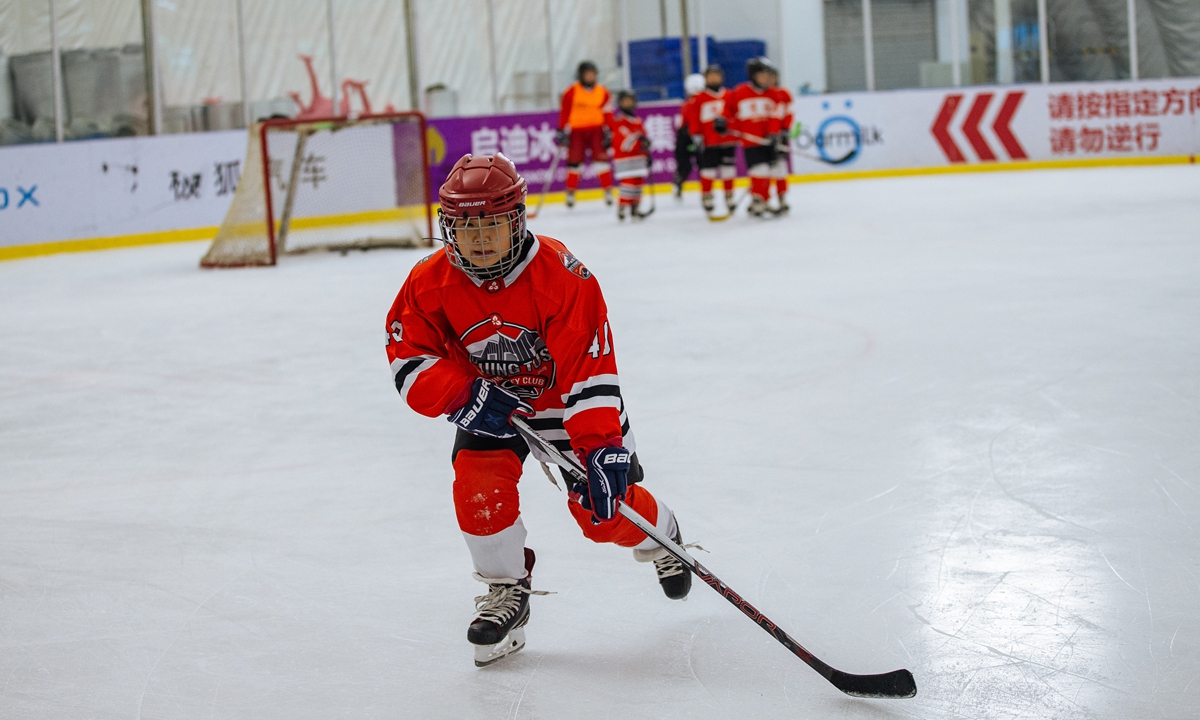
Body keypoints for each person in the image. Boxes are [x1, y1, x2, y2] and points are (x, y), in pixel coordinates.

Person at [385, 153, 692, 667]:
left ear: (517, 220)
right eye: (465, 226)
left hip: (565, 407)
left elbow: (590, 372)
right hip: (488, 405)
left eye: (492, 224)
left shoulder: (564, 277)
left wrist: (601, 448)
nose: (478, 238)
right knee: (476, 487)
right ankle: (508, 592)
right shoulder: (428, 281)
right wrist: (463, 395)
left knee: (601, 512)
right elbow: (408, 357)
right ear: (447, 227)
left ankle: (662, 530)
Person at [725, 56, 780, 218]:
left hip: (767, 140)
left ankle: (762, 200)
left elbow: (775, 116)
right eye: (763, 74)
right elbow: (728, 110)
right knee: (759, 171)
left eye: (768, 75)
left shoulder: (772, 94)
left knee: (768, 171)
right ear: (753, 75)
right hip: (750, 141)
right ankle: (758, 200)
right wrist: (721, 121)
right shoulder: (740, 92)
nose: (766, 78)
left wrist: (773, 133)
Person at [556, 61, 614, 208]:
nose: (590, 77)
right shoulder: (571, 91)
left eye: (593, 74)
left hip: (597, 130)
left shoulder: (603, 92)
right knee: (574, 162)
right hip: (577, 131)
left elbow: (607, 113)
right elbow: (565, 112)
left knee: (601, 161)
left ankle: (608, 191)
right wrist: (561, 130)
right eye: (587, 74)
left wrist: (610, 130)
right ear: (581, 75)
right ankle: (570, 193)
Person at [689, 64, 739, 217]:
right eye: (710, 76)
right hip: (709, 141)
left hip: (728, 139)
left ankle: (729, 197)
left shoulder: (730, 96)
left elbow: (735, 115)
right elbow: (693, 119)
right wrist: (696, 134)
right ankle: (707, 197)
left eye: (716, 75)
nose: (713, 78)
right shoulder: (698, 98)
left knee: (728, 170)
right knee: (708, 170)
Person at [606, 90, 652, 220]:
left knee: (638, 183)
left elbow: (643, 137)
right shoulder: (619, 121)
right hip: (625, 159)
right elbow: (624, 143)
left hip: (638, 158)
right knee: (628, 183)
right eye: (625, 101)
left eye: (630, 101)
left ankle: (635, 207)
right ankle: (622, 207)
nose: (628, 103)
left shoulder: (637, 121)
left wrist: (646, 150)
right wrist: (640, 142)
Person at [673, 73, 706, 198]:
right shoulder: (687, 105)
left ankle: (705, 189)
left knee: (703, 164)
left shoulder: (691, 104)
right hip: (686, 137)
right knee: (685, 165)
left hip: (696, 136)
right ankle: (679, 182)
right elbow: (685, 123)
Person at [767, 66, 794, 214]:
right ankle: (760, 198)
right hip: (764, 137)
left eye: (773, 77)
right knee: (761, 170)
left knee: (780, 168)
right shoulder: (763, 95)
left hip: (779, 137)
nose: (770, 80)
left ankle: (782, 197)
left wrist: (785, 129)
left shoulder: (783, 93)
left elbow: (789, 112)